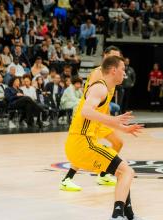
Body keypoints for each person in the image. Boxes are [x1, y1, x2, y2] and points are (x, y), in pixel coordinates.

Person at [64, 55, 143, 220]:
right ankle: (117, 215)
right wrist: (114, 120)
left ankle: (128, 214)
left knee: (123, 172)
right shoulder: (100, 87)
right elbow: (86, 111)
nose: (125, 74)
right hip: (82, 142)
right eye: (123, 70)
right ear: (113, 70)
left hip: (84, 142)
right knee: (127, 171)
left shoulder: (108, 89)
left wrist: (123, 128)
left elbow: (100, 115)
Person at [60, 46, 125, 191]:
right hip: (90, 118)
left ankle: (103, 174)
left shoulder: (113, 79)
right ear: (105, 56)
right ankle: (67, 178)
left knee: (118, 143)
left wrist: (110, 120)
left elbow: (105, 103)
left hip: (101, 119)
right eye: (113, 56)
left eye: (118, 57)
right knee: (85, 149)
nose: (116, 59)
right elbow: (90, 100)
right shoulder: (98, 74)